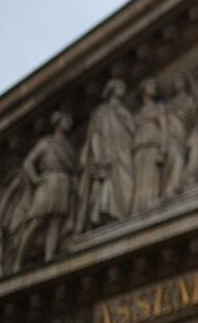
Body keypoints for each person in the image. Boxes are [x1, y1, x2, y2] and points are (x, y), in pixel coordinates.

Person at [15, 111, 77, 270]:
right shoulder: (46, 143)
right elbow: (28, 162)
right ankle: (18, 262)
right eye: (66, 120)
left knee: (56, 221)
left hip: (63, 181)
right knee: (38, 221)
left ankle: (49, 258)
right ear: (58, 122)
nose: (69, 123)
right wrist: (35, 179)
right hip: (48, 180)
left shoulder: (68, 147)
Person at [75, 79, 135, 231]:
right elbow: (94, 135)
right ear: (111, 89)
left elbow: (134, 131)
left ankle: (124, 214)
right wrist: (98, 156)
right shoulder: (101, 112)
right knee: (108, 184)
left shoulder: (123, 111)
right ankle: (108, 214)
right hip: (108, 154)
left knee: (126, 182)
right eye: (119, 86)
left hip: (124, 152)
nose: (122, 89)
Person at [131, 77, 170, 214]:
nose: (153, 87)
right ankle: (138, 209)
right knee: (140, 180)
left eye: (154, 85)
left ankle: (152, 203)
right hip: (139, 147)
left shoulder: (159, 107)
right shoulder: (137, 114)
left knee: (151, 176)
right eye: (150, 85)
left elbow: (164, 128)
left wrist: (163, 150)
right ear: (143, 90)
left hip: (154, 143)